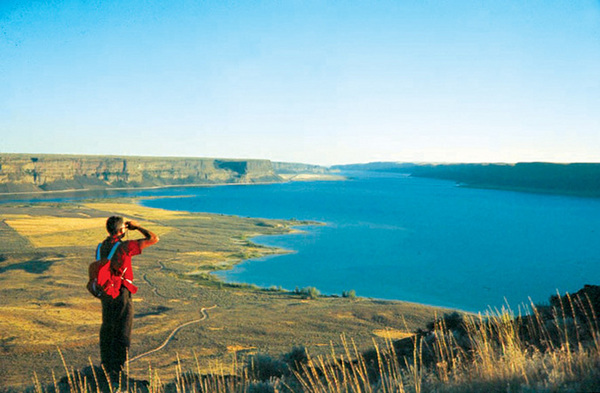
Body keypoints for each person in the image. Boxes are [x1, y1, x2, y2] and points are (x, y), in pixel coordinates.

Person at [98, 216, 159, 380]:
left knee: (108, 328)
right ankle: (116, 372)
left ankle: (106, 367)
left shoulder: (101, 246)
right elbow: (153, 238)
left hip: (106, 293)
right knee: (123, 330)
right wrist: (137, 227)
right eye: (124, 227)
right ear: (120, 230)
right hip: (121, 293)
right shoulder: (124, 246)